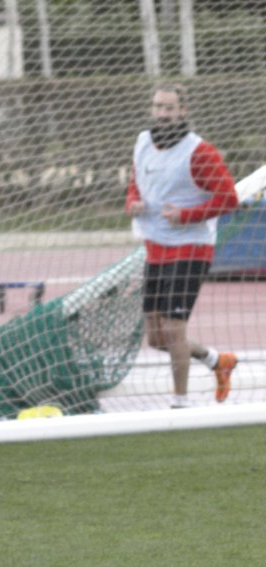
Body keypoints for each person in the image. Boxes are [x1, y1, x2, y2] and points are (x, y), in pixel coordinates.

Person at [125, 84, 239, 408]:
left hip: (191, 247)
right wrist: (132, 201)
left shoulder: (200, 152)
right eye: (158, 106)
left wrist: (187, 215)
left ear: (183, 111)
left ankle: (181, 403)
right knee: (156, 338)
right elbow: (136, 183)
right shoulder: (143, 142)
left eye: (170, 108)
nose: (163, 113)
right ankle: (217, 360)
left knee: (175, 330)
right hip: (156, 248)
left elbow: (229, 198)